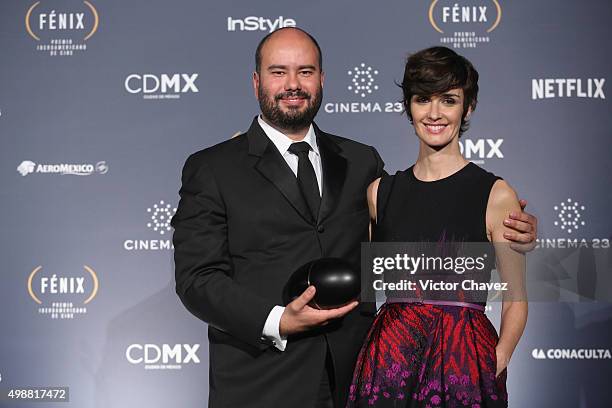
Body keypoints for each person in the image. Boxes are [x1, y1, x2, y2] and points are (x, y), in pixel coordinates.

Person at [172, 29, 535, 408]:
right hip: (263, 382)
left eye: (306, 71)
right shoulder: (213, 168)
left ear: (322, 79)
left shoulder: (362, 163)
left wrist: (514, 231)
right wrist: (276, 320)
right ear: (256, 81)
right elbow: (197, 279)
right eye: (279, 72)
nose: (293, 84)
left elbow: (427, 220)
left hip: (364, 380)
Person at [347, 47, 528, 407]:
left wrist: (500, 356)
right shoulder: (380, 193)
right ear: (408, 107)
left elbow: (516, 299)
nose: (434, 113)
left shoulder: (494, 193)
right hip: (390, 361)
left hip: (465, 363)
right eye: (422, 99)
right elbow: (364, 289)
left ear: (468, 108)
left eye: (448, 100)